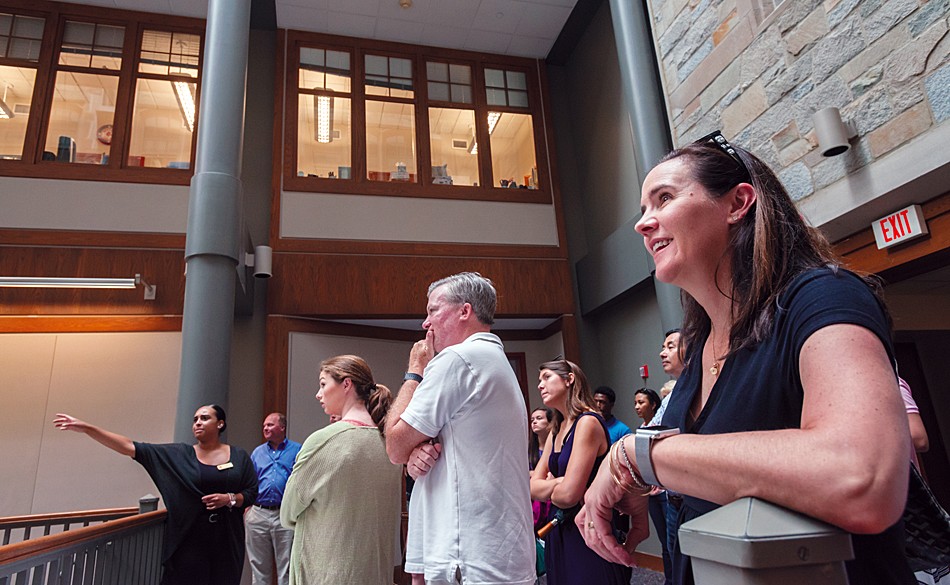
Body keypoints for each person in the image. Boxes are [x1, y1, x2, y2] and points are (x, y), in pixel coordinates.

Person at [575, 131, 914, 585]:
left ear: (738, 203)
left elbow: (861, 477)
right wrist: (650, 478)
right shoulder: (700, 346)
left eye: (664, 198)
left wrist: (637, 457)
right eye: (643, 211)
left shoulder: (820, 296)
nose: (643, 223)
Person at [385, 272, 535, 585]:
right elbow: (443, 446)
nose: (426, 323)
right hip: (497, 550)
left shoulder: (458, 359)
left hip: (471, 555)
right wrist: (417, 454)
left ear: (464, 311)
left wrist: (415, 370)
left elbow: (395, 444)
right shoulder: (492, 358)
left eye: (432, 311)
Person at [54, 405, 258, 585]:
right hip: (188, 541)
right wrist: (88, 428)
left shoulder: (238, 456)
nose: (198, 423)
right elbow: (129, 447)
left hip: (226, 540)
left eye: (205, 418)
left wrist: (230, 498)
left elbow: (251, 492)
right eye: (195, 419)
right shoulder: (178, 455)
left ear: (220, 424)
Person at [280, 355, 402, 585]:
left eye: (323, 384)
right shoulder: (389, 444)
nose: (318, 393)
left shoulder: (323, 441)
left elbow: (287, 512)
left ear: (346, 384)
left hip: (327, 573)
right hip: (375, 574)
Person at [530, 359, 632, 585]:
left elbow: (569, 496)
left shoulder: (587, 422)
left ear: (569, 379)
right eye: (539, 380)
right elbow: (532, 487)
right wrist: (562, 482)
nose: (540, 385)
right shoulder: (557, 428)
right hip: (558, 529)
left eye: (547, 377)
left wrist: (554, 486)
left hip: (588, 528)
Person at [246, 413, 302, 585]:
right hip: (258, 514)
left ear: (282, 428)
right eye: (264, 425)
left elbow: (301, 480)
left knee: (286, 569)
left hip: (284, 514)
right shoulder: (258, 452)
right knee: (259, 569)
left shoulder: (297, 450)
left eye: (270, 425)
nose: (265, 428)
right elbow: (249, 480)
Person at [530, 407, 554, 532]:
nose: (534, 422)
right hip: (534, 503)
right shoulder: (528, 450)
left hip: (552, 499)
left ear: (550, 423)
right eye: (532, 419)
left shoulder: (557, 448)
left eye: (539, 418)